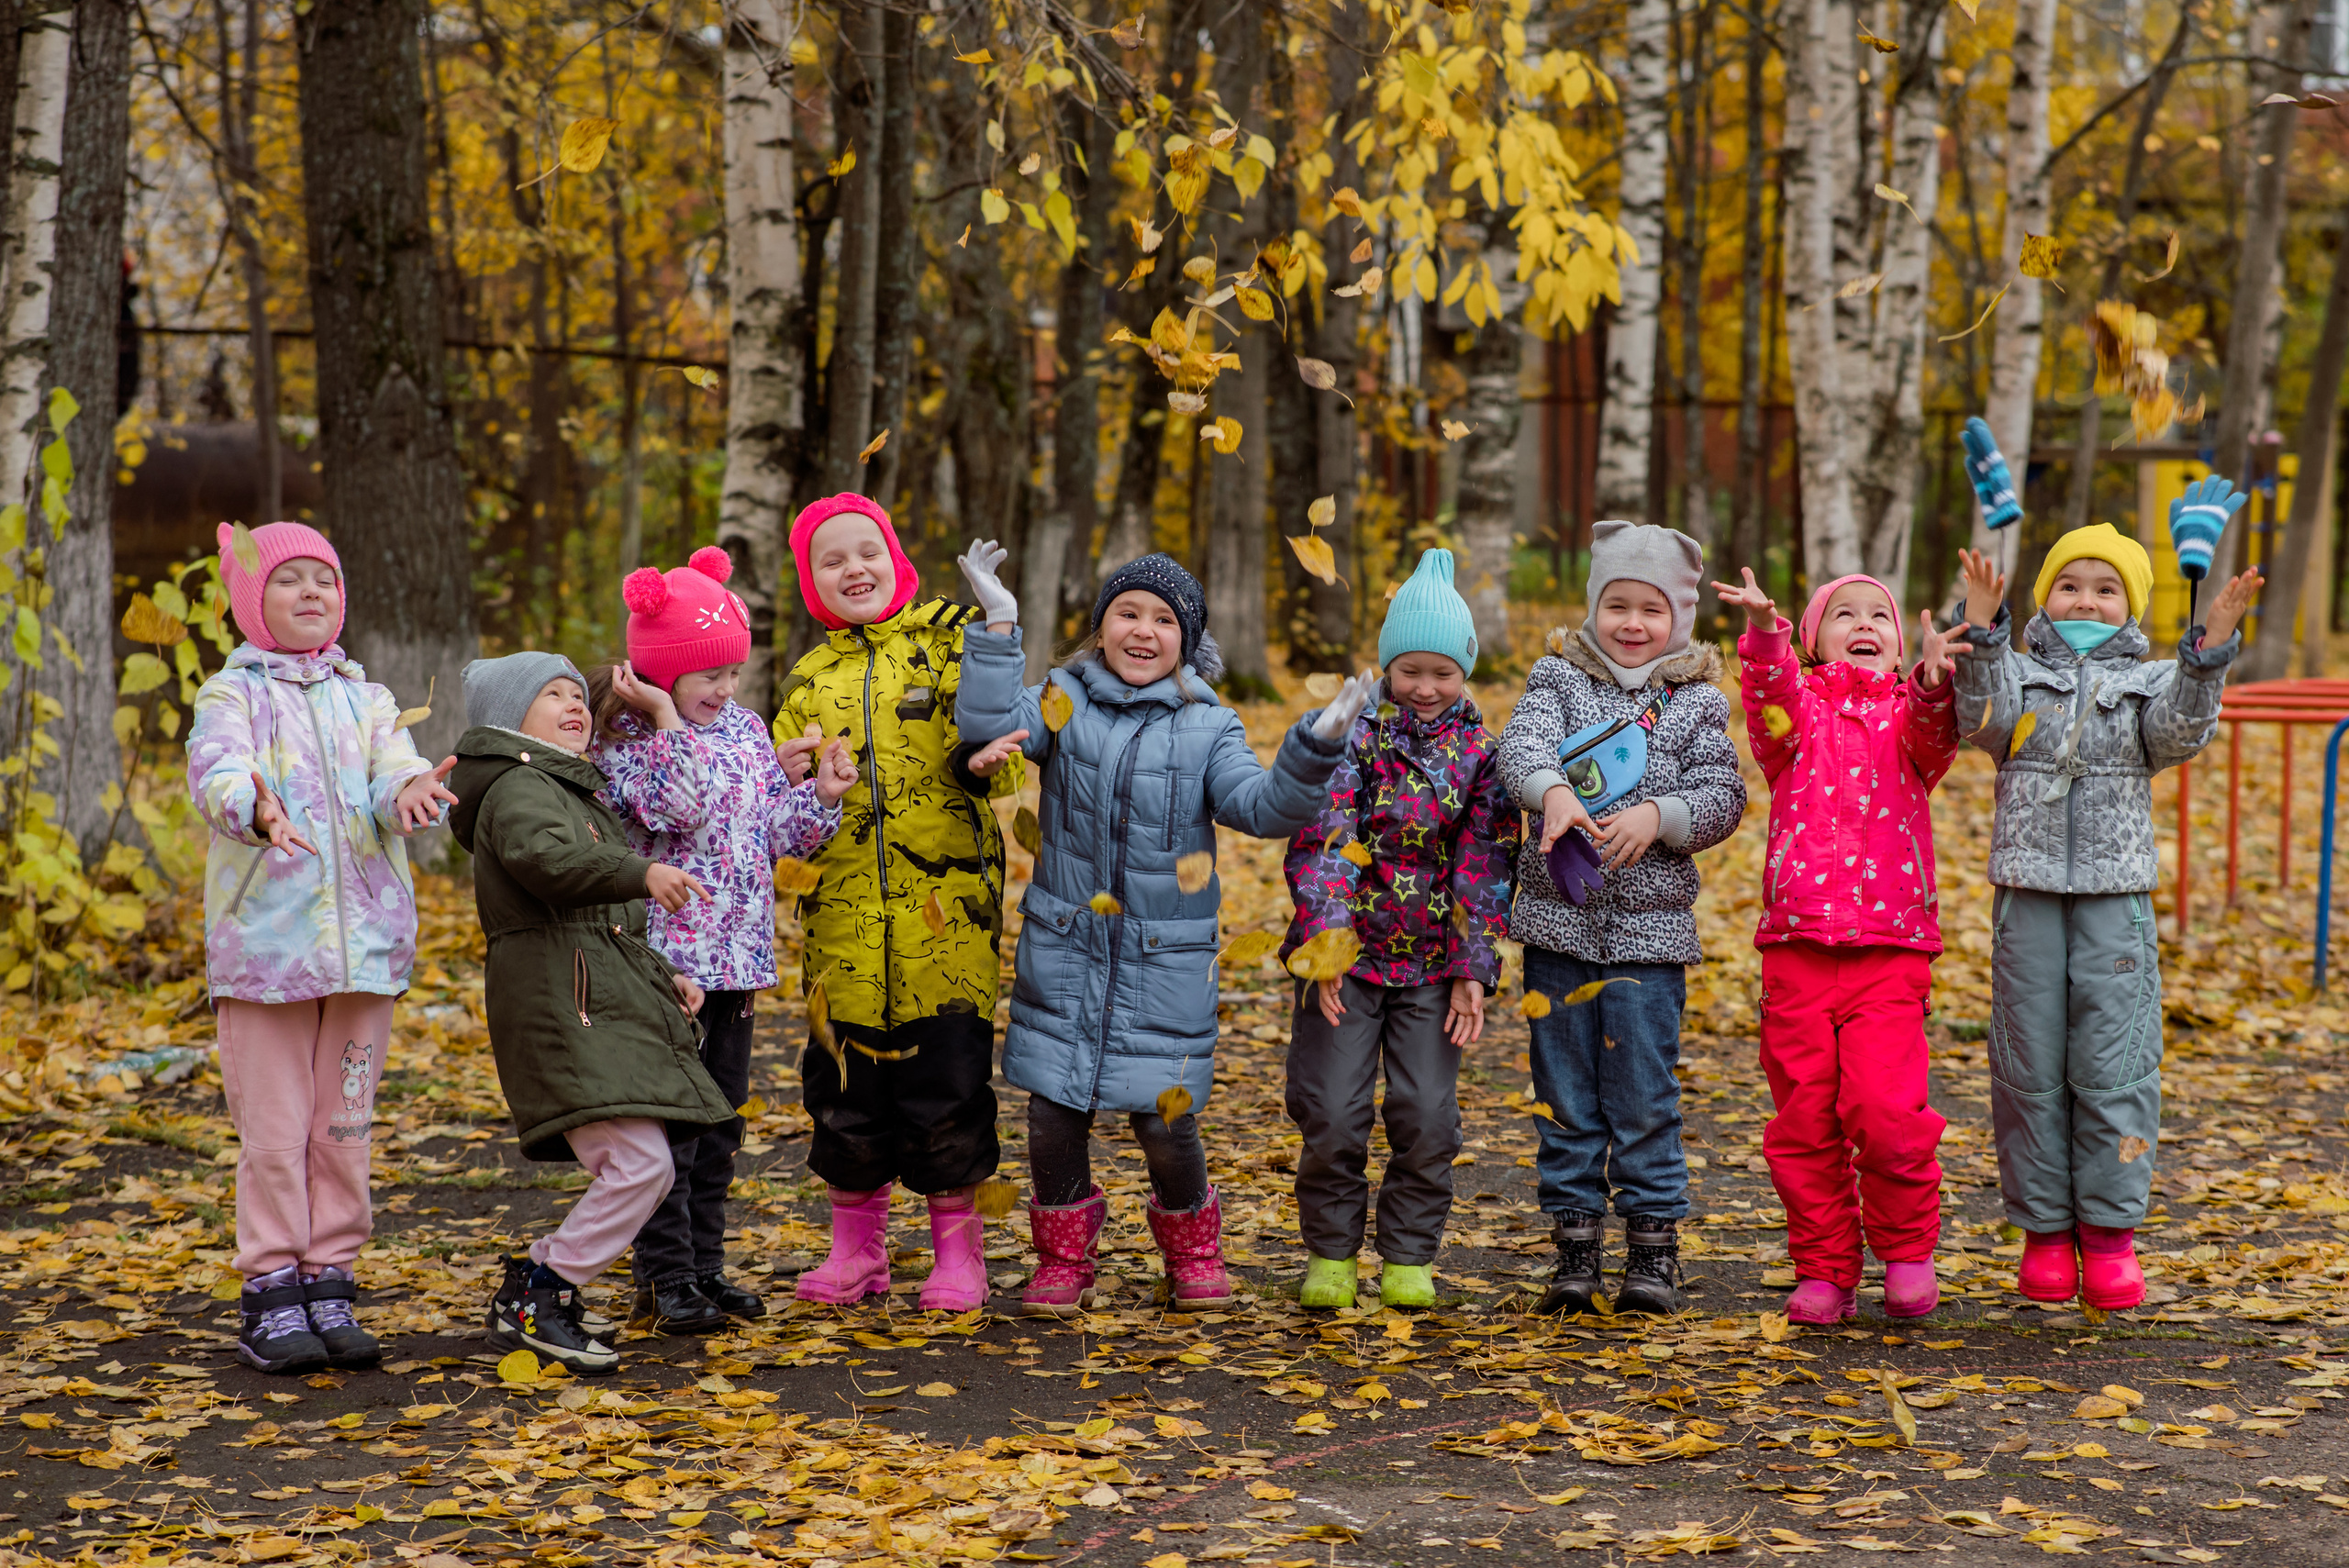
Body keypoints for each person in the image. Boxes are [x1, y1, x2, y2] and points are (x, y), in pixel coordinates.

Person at [953, 543, 1373, 1315]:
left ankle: (1194, 1252)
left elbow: (1262, 807)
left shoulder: (1209, 723)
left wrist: (1316, 746)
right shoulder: (1063, 698)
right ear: (1101, 625)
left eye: (1162, 619)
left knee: (1165, 1119)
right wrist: (999, 624)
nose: (1143, 630)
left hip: (1164, 962)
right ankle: (1063, 1260)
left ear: (1188, 638)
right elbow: (986, 723)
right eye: (1128, 613)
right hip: (1067, 952)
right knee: (1052, 1114)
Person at [1952, 520, 2258, 1310]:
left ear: (2132, 605)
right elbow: (1979, 720)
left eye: (2106, 586)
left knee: (2115, 1063)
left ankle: (2112, 1235)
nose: (2085, 597)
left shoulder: (2153, 680)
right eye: (2070, 583)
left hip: (2114, 900)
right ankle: (2046, 1233)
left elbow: (2180, 734)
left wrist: (2205, 656)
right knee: (2028, 1065)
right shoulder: (2018, 672)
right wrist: (1983, 634)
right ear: (2045, 595)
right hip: (2027, 893)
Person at [188, 521, 459, 1374]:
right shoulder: (233, 694)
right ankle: (271, 1285)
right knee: (275, 1131)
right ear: (252, 601)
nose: (311, 593)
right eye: (288, 580)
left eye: (325, 581)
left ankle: (329, 1273)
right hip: (266, 951)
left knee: (341, 1126)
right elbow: (215, 769)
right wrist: (255, 806)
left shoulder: (365, 696)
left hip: (363, 952)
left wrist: (409, 790)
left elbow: (390, 768)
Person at [447, 653, 743, 1374]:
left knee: (643, 1165)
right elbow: (547, 863)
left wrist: (663, 978)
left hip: (589, 1002)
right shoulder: (520, 788)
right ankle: (541, 1290)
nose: (574, 705)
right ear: (506, 718)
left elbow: (607, 930)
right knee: (641, 1165)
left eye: (577, 694)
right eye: (551, 695)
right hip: (559, 1010)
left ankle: (542, 1288)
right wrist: (639, 870)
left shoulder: (569, 789)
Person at [588, 547, 859, 1333]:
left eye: (733, 673)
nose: (726, 690)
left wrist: (820, 797)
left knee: (720, 1122)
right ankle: (664, 1275)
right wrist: (672, 722)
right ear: (662, 671)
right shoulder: (632, 740)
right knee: (669, 1126)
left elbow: (774, 833)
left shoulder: (743, 730)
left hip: (736, 963)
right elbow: (679, 809)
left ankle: (704, 1267)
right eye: (709, 674)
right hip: (668, 968)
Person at [773, 495, 1021, 1311]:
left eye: (866, 551)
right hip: (841, 934)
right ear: (813, 582)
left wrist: (990, 756)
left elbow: (1006, 750)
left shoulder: (950, 641)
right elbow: (781, 807)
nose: (854, 569)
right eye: (832, 560)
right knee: (844, 1095)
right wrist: (789, 772)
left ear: (896, 557)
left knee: (947, 1089)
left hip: (945, 932)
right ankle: (858, 1252)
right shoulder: (811, 676)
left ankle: (959, 1256)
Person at [1497, 519, 1747, 1317]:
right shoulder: (1557, 680)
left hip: (1650, 936)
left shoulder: (1698, 702)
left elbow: (1724, 795)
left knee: (1642, 1093)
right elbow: (1519, 745)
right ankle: (1574, 1243)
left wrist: (1663, 816)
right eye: (1617, 605)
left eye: (1651, 608)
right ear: (1593, 607)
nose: (1633, 624)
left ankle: (1653, 1248)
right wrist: (1554, 791)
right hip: (1557, 929)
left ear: (1679, 618)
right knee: (1565, 1092)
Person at [1713, 566, 1965, 1322]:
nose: (1864, 623)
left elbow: (1934, 732)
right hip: (1797, 951)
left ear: (1897, 643)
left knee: (1887, 1112)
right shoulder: (1795, 727)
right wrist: (1765, 632)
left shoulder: (1910, 721)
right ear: (1817, 643)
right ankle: (1825, 1266)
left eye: (1879, 615)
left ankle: (1908, 1247)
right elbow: (1769, 697)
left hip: (1889, 952)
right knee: (1803, 1123)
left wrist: (1929, 678)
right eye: (1842, 613)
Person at [1278, 549, 1519, 1310]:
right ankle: (1332, 1252)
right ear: (1387, 666)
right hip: (1346, 960)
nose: (1425, 687)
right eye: (1410, 669)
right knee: (1333, 1110)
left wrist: (1471, 966)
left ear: (1466, 672)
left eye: (1443, 672)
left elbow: (1482, 860)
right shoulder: (1355, 735)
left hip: (1432, 967)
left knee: (1425, 1114)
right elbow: (1324, 838)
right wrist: (1325, 946)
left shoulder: (1481, 754)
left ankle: (1410, 1252)